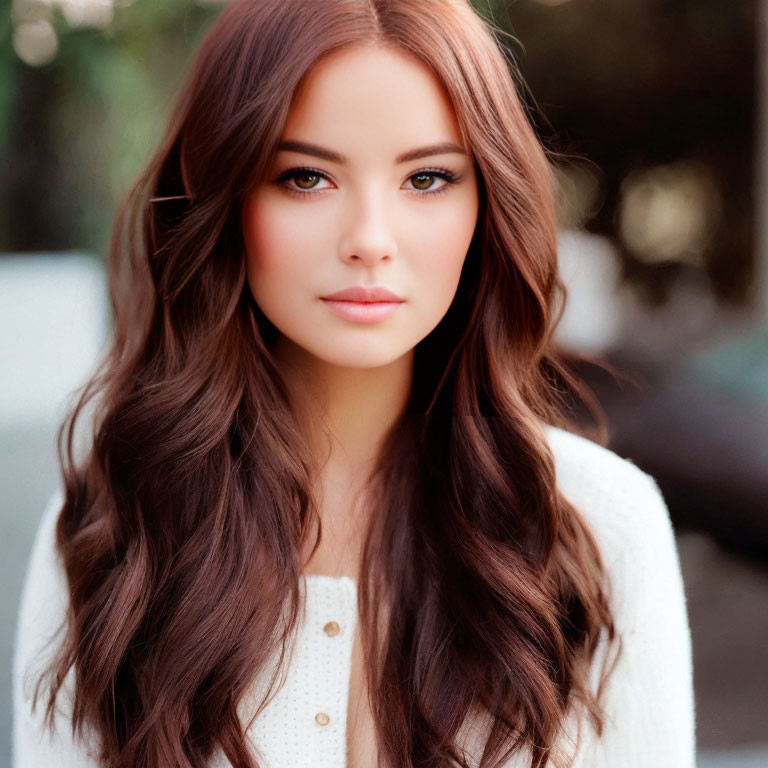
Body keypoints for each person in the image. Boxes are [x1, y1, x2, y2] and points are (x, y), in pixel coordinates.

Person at [12, 1, 696, 767]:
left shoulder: (600, 528)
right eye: (305, 177)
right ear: (225, 199)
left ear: (488, 204)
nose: (370, 240)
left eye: (428, 178)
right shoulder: (111, 527)